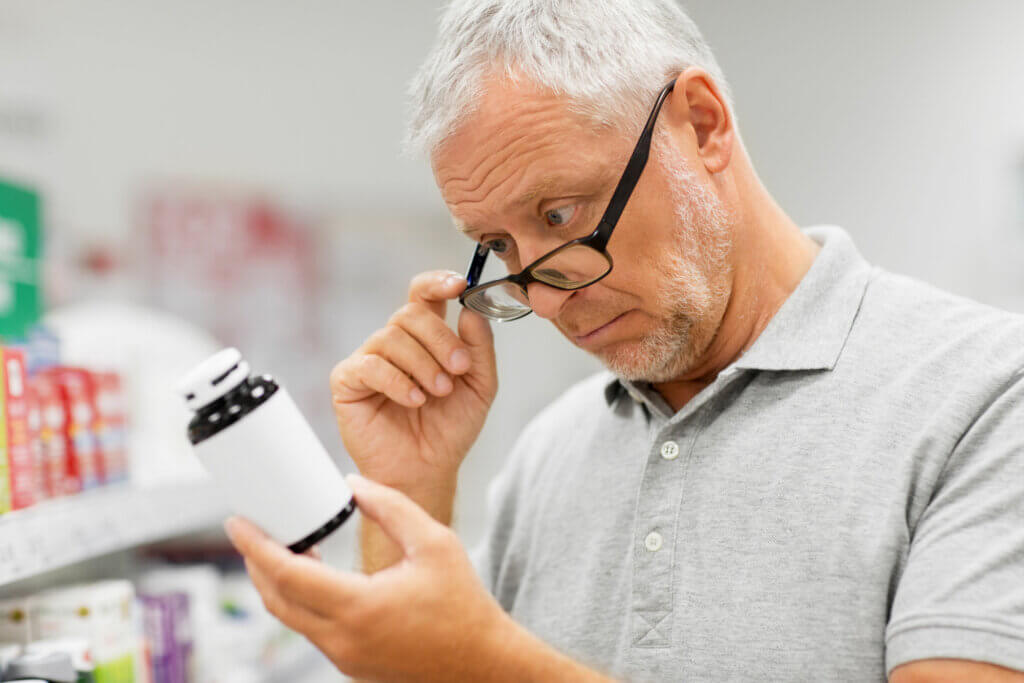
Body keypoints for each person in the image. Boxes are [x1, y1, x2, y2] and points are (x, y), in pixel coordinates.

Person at [224, 1, 1024, 681]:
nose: (541, 296)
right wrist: (410, 491)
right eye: (499, 246)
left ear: (703, 125)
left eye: (560, 216)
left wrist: (492, 663)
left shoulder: (987, 396)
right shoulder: (548, 454)